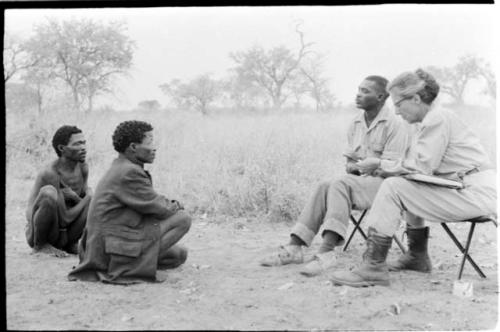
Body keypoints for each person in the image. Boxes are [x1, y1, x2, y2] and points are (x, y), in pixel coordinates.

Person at [330, 69, 497, 287]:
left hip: (475, 193)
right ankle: (417, 257)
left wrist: (380, 165)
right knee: (405, 182)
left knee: (394, 186)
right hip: (464, 187)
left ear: (416, 99)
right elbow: (413, 168)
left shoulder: (437, 119)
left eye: (398, 104)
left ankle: (373, 267)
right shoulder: (427, 122)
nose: (396, 112)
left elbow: (420, 167)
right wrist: (382, 167)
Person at [259, 75, 410, 277]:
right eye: (359, 89)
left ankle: (327, 252)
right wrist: (354, 167)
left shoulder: (394, 124)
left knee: (340, 183)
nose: (359, 94)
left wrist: (367, 166)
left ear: (381, 96)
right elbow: (349, 163)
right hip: (359, 182)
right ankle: (295, 247)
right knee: (325, 185)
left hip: (387, 186)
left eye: (366, 91)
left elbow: (392, 168)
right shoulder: (356, 123)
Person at [68, 120, 191, 284]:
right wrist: (177, 205)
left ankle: (135, 262)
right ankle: (131, 267)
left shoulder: (122, 165)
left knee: (179, 255)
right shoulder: (129, 171)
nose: (154, 147)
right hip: (108, 247)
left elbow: (149, 204)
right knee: (183, 218)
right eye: (150, 142)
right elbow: (159, 207)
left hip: (107, 243)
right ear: (133, 147)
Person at [25, 125, 91, 257]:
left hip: (67, 234)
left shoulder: (83, 167)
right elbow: (64, 218)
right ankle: (41, 246)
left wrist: (81, 198)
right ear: (62, 148)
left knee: (92, 196)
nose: (83, 148)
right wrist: (88, 198)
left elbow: (82, 201)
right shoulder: (51, 173)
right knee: (48, 193)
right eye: (77, 144)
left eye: (84, 143)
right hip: (47, 231)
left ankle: (70, 245)